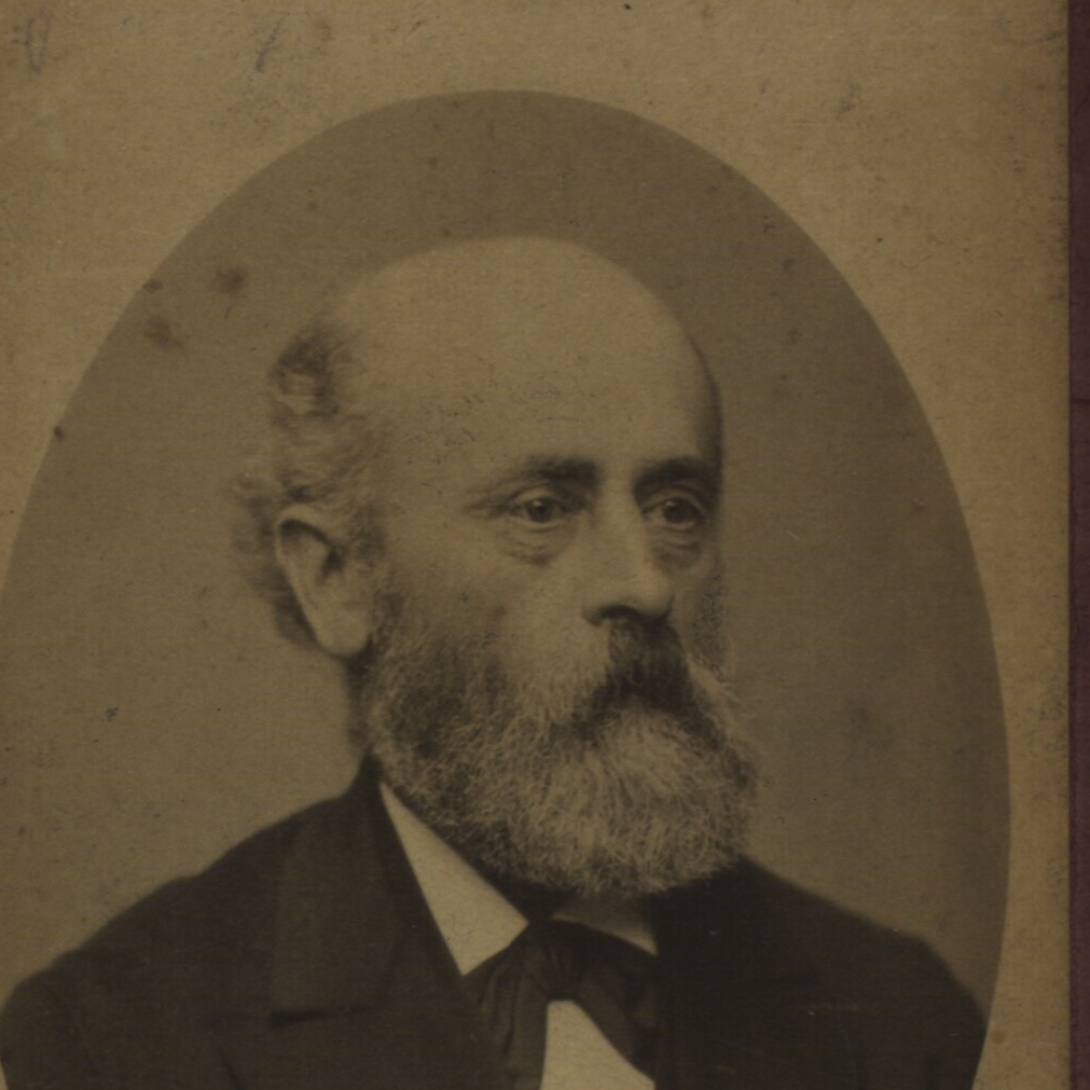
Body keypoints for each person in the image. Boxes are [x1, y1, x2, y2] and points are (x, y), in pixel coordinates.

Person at [0, 237, 984, 1089]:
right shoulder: (102, 1044)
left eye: (675, 509)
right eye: (540, 509)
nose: (645, 584)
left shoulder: (902, 1026)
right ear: (339, 578)